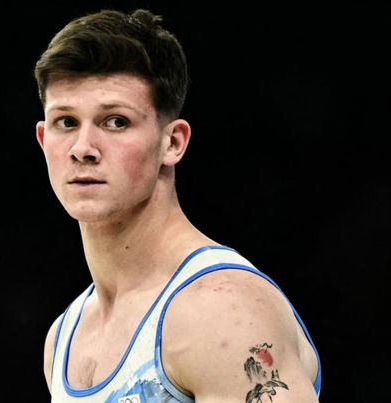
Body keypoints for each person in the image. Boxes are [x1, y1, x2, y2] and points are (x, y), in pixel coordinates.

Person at [33, 8, 321, 402]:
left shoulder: (221, 311)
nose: (83, 149)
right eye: (66, 122)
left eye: (116, 122)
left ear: (173, 143)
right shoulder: (64, 338)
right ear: (42, 139)